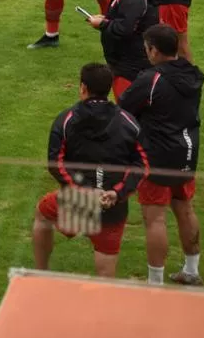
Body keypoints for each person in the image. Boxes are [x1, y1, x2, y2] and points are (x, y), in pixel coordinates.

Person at [32, 63, 148, 278]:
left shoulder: (66, 120)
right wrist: (117, 193)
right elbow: (141, 166)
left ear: (83, 87)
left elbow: (55, 163)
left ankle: (41, 275)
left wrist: (84, 191)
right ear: (110, 87)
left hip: (75, 202)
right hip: (112, 206)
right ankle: (103, 309)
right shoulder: (129, 122)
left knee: (42, 216)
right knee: (105, 274)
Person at [120, 24, 204, 286]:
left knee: (155, 218)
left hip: (157, 155)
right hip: (188, 150)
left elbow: (124, 106)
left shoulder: (151, 79)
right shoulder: (192, 73)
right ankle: (191, 271)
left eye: (147, 49)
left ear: (155, 51)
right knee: (185, 209)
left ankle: (154, 283)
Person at [86, 0, 158, 99]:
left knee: (128, 114)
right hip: (128, 65)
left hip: (130, 68)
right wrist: (106, 20)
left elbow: (125, 28)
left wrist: (103, 24)